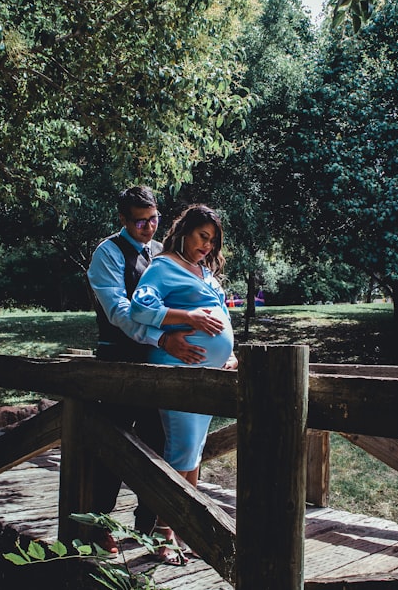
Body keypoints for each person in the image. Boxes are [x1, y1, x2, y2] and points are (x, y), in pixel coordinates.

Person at [85, 186, 206, 553]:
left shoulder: (161, 254)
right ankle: (99, 526)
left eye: (154, 218)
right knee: (113, 448)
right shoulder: (107, 254)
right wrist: (162, 339)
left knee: (159, 448)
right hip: (118, 365)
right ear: (123, 219)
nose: (149, 227)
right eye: (140, 221)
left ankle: (152, 529)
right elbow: (119, 311)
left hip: (159, 364)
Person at [130, 203, 238, 564]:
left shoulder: (203, 272)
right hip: (177, 368)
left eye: (212, 241)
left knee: (192, 452)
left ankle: (185, 527)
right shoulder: (164, 266)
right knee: (181, 452)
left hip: (206, 372)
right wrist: (187, 316)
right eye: (202, 237)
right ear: (184, 231)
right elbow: (139, 309)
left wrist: (228, 355)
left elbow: (220, 318)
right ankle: (164, 535)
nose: (207, 246)